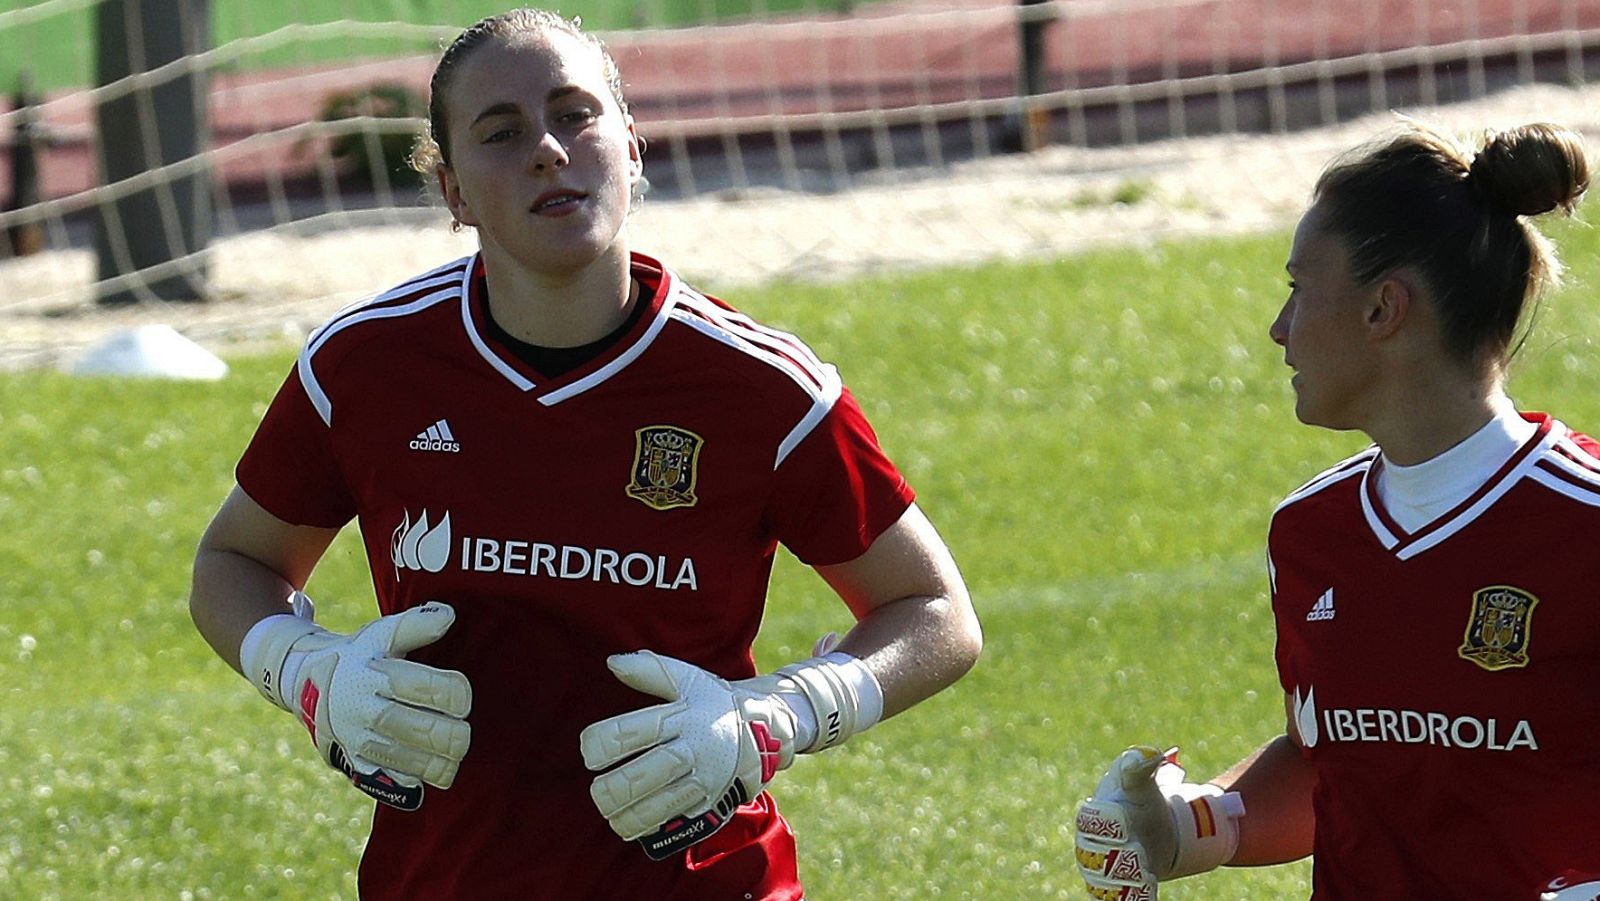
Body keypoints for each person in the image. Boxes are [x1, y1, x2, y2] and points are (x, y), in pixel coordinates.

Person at [188, 9, 982, 899]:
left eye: (576, 115)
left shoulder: (757, 386)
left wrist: (782, 716)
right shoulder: (365, 365)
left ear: (632, 149)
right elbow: (232, 562)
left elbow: (935, 612)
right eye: (502, 131)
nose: (548, 150)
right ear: (452, 191)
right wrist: (306, 672)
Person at [1074, 120, 1597, 899]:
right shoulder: (1312, 532)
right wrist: (1188, 824)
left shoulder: (1581, 524)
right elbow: (1336, 765)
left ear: (1385, 308)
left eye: (1297, 288)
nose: (1279, 330)